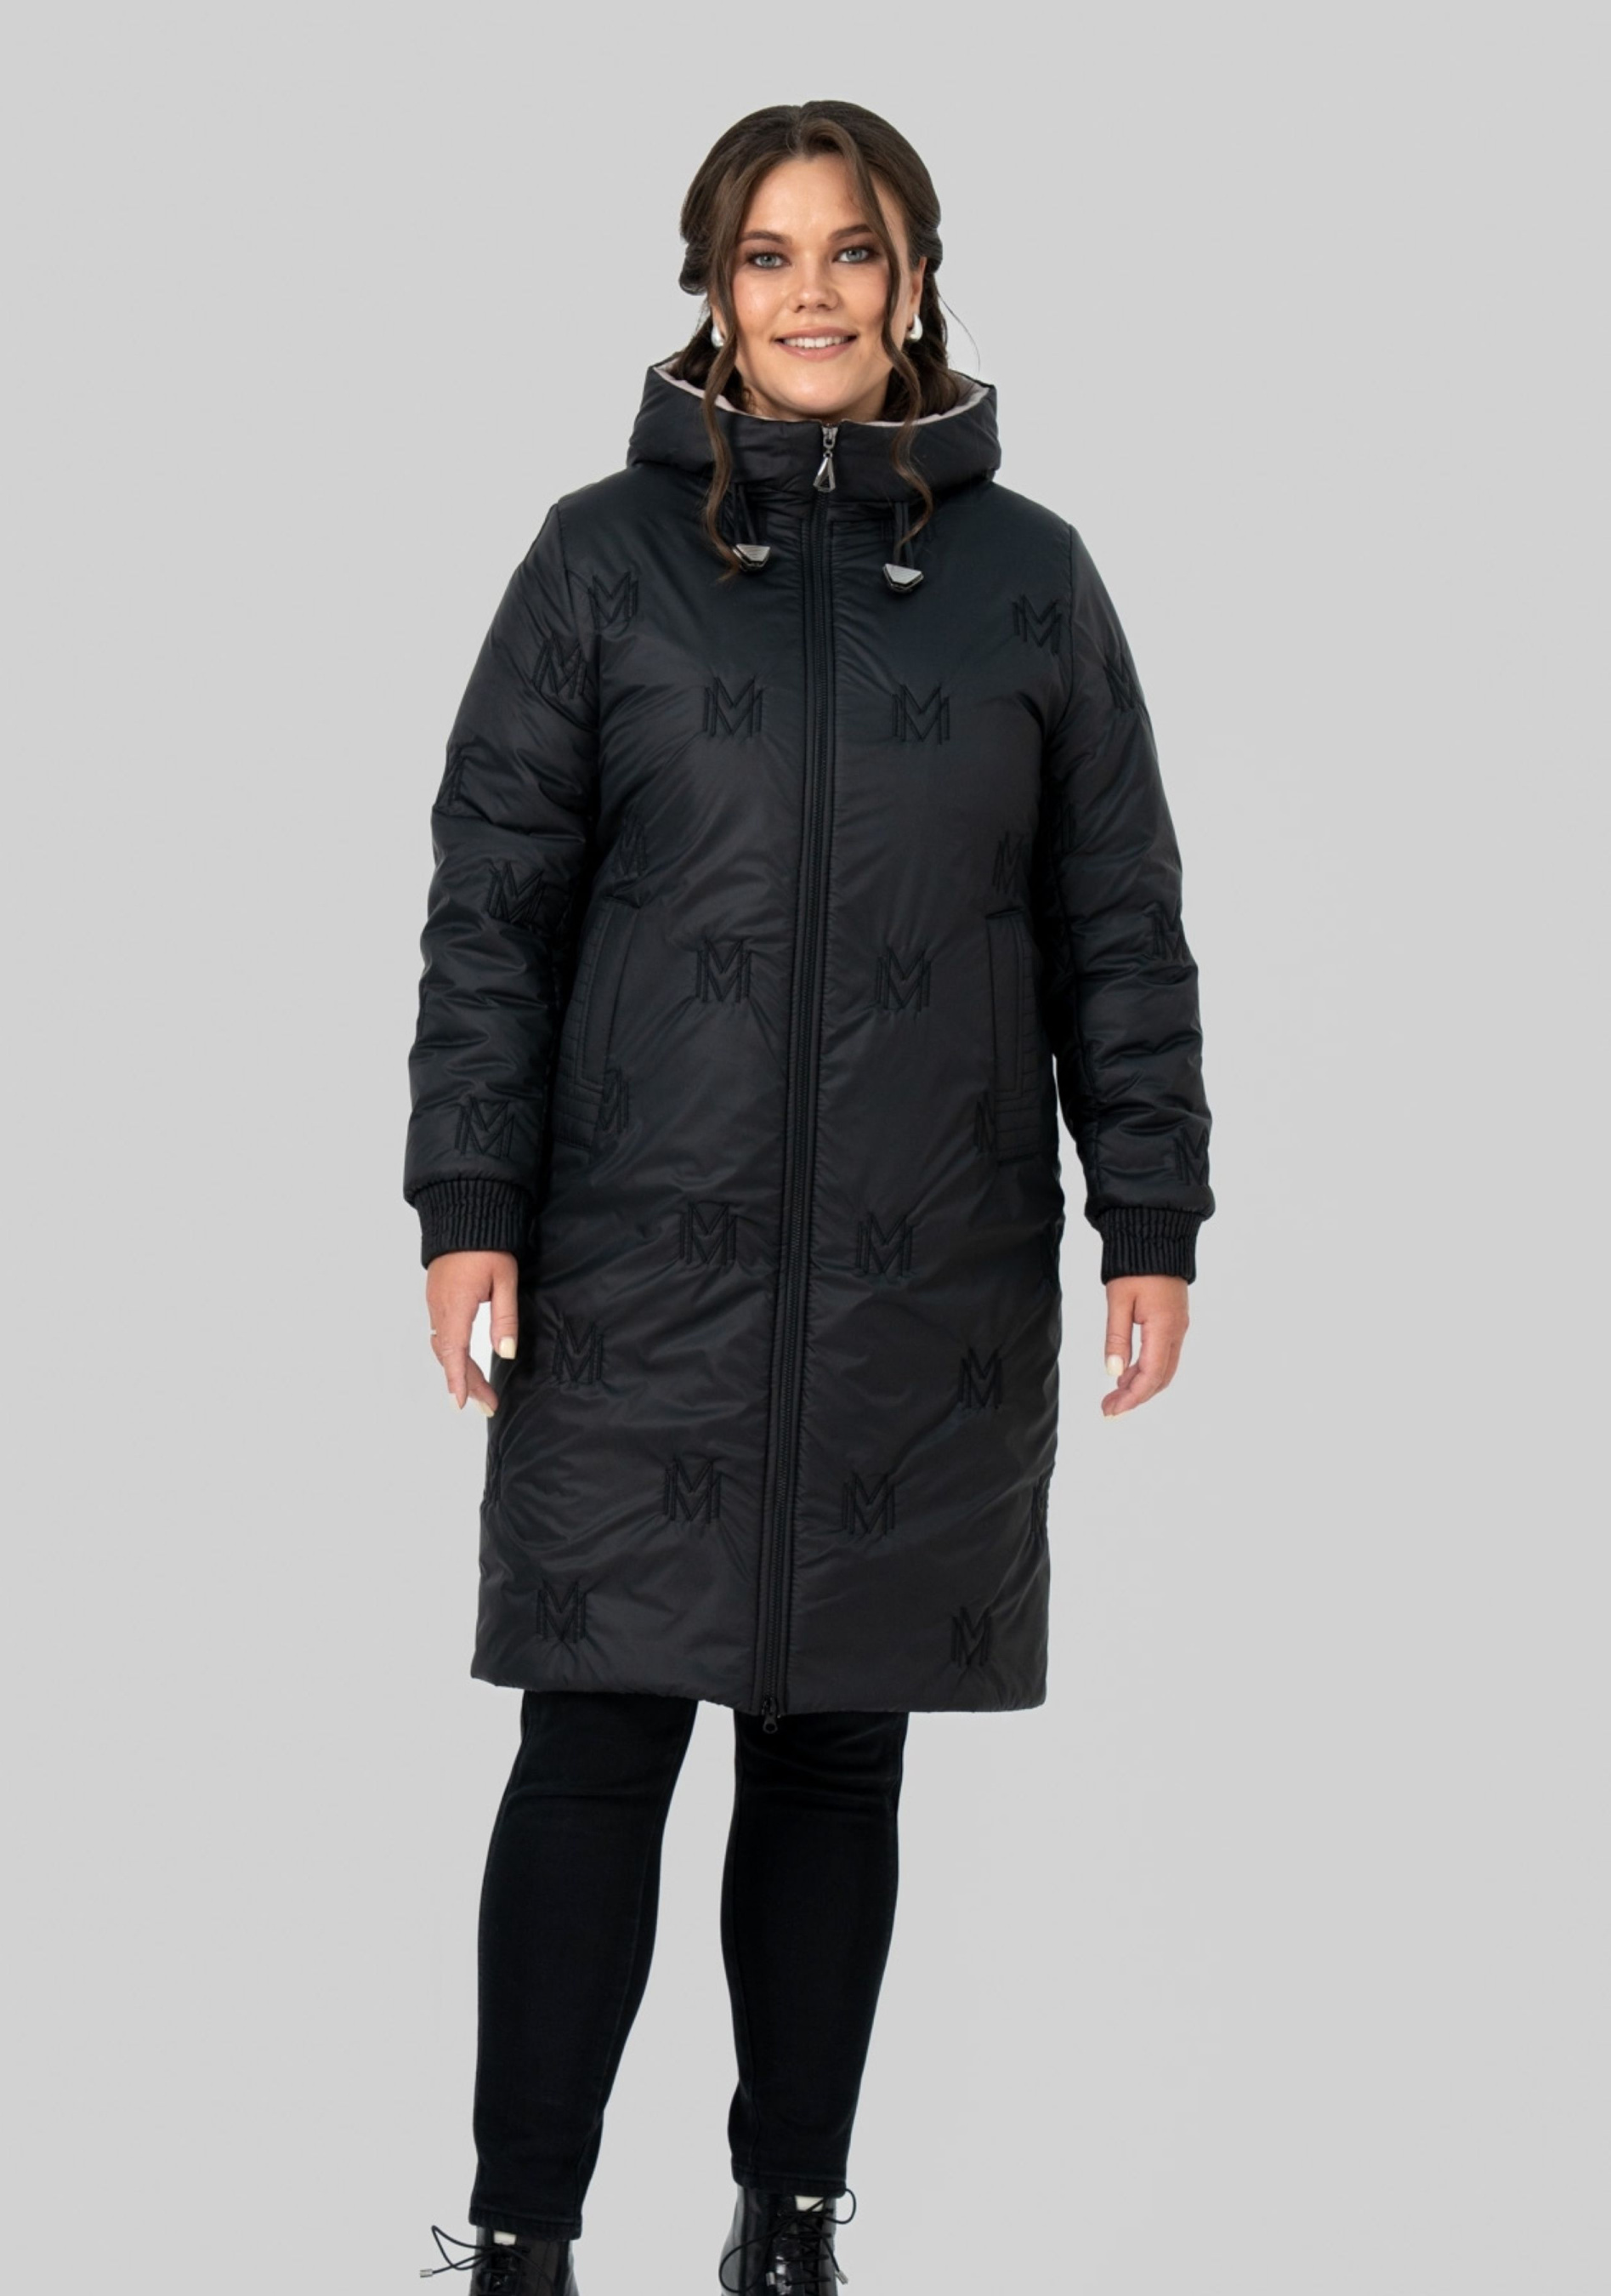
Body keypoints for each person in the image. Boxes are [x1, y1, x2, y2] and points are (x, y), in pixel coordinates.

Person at [403, 99, 1213, 2296]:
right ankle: (519, 2239)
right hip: (631, 1255)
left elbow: (1117, 916)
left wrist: (1149, 1213)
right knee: (595, 1737)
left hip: (922, 1261)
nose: (813, 295)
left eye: (852, 251)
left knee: (835, 1750)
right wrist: (467, 1195)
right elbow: (494, 901)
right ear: (713, 289)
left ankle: (790, 2227)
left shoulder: (1032, 577)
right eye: (768, 256)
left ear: (916, 277)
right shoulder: (599, 559)